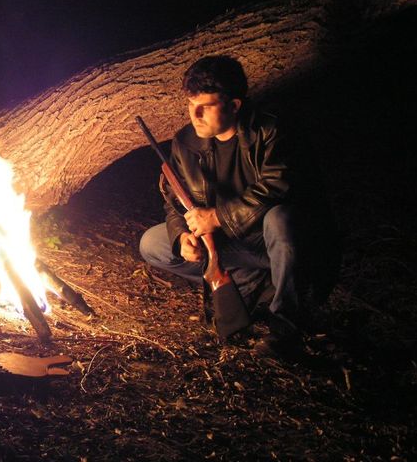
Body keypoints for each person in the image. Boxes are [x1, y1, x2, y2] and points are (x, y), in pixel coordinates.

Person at [139, 55, 338, 356]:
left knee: (281, 219)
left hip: (275, 244)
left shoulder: (272, 131)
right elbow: (175, 202)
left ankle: (286, 325)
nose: (195, 114)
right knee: (153, 243)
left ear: (234, 106)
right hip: (230, 244)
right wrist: (182, 236)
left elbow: (278, 187)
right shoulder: (185, 142)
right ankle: (248, 280)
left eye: (206, 106)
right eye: (191, 104)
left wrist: (218, 217)